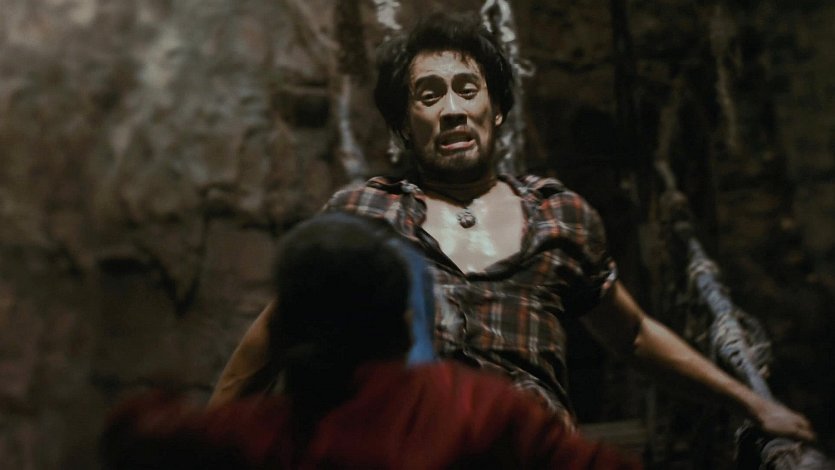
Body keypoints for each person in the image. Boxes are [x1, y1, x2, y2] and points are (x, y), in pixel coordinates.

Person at [210, 12, 816, 442]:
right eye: (428, 95)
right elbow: (275, 335)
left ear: (495, 108)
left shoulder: (558, 216)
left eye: (466, 89)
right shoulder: (366, 216)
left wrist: (750, 403)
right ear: (403, 127)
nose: (451, 109)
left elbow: (632, 336)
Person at [101, 213, 641, 469]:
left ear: (286, 330)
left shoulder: (254, 438)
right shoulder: (470, 411)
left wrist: (167, 396)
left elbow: (139, 433)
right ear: (403, 323)